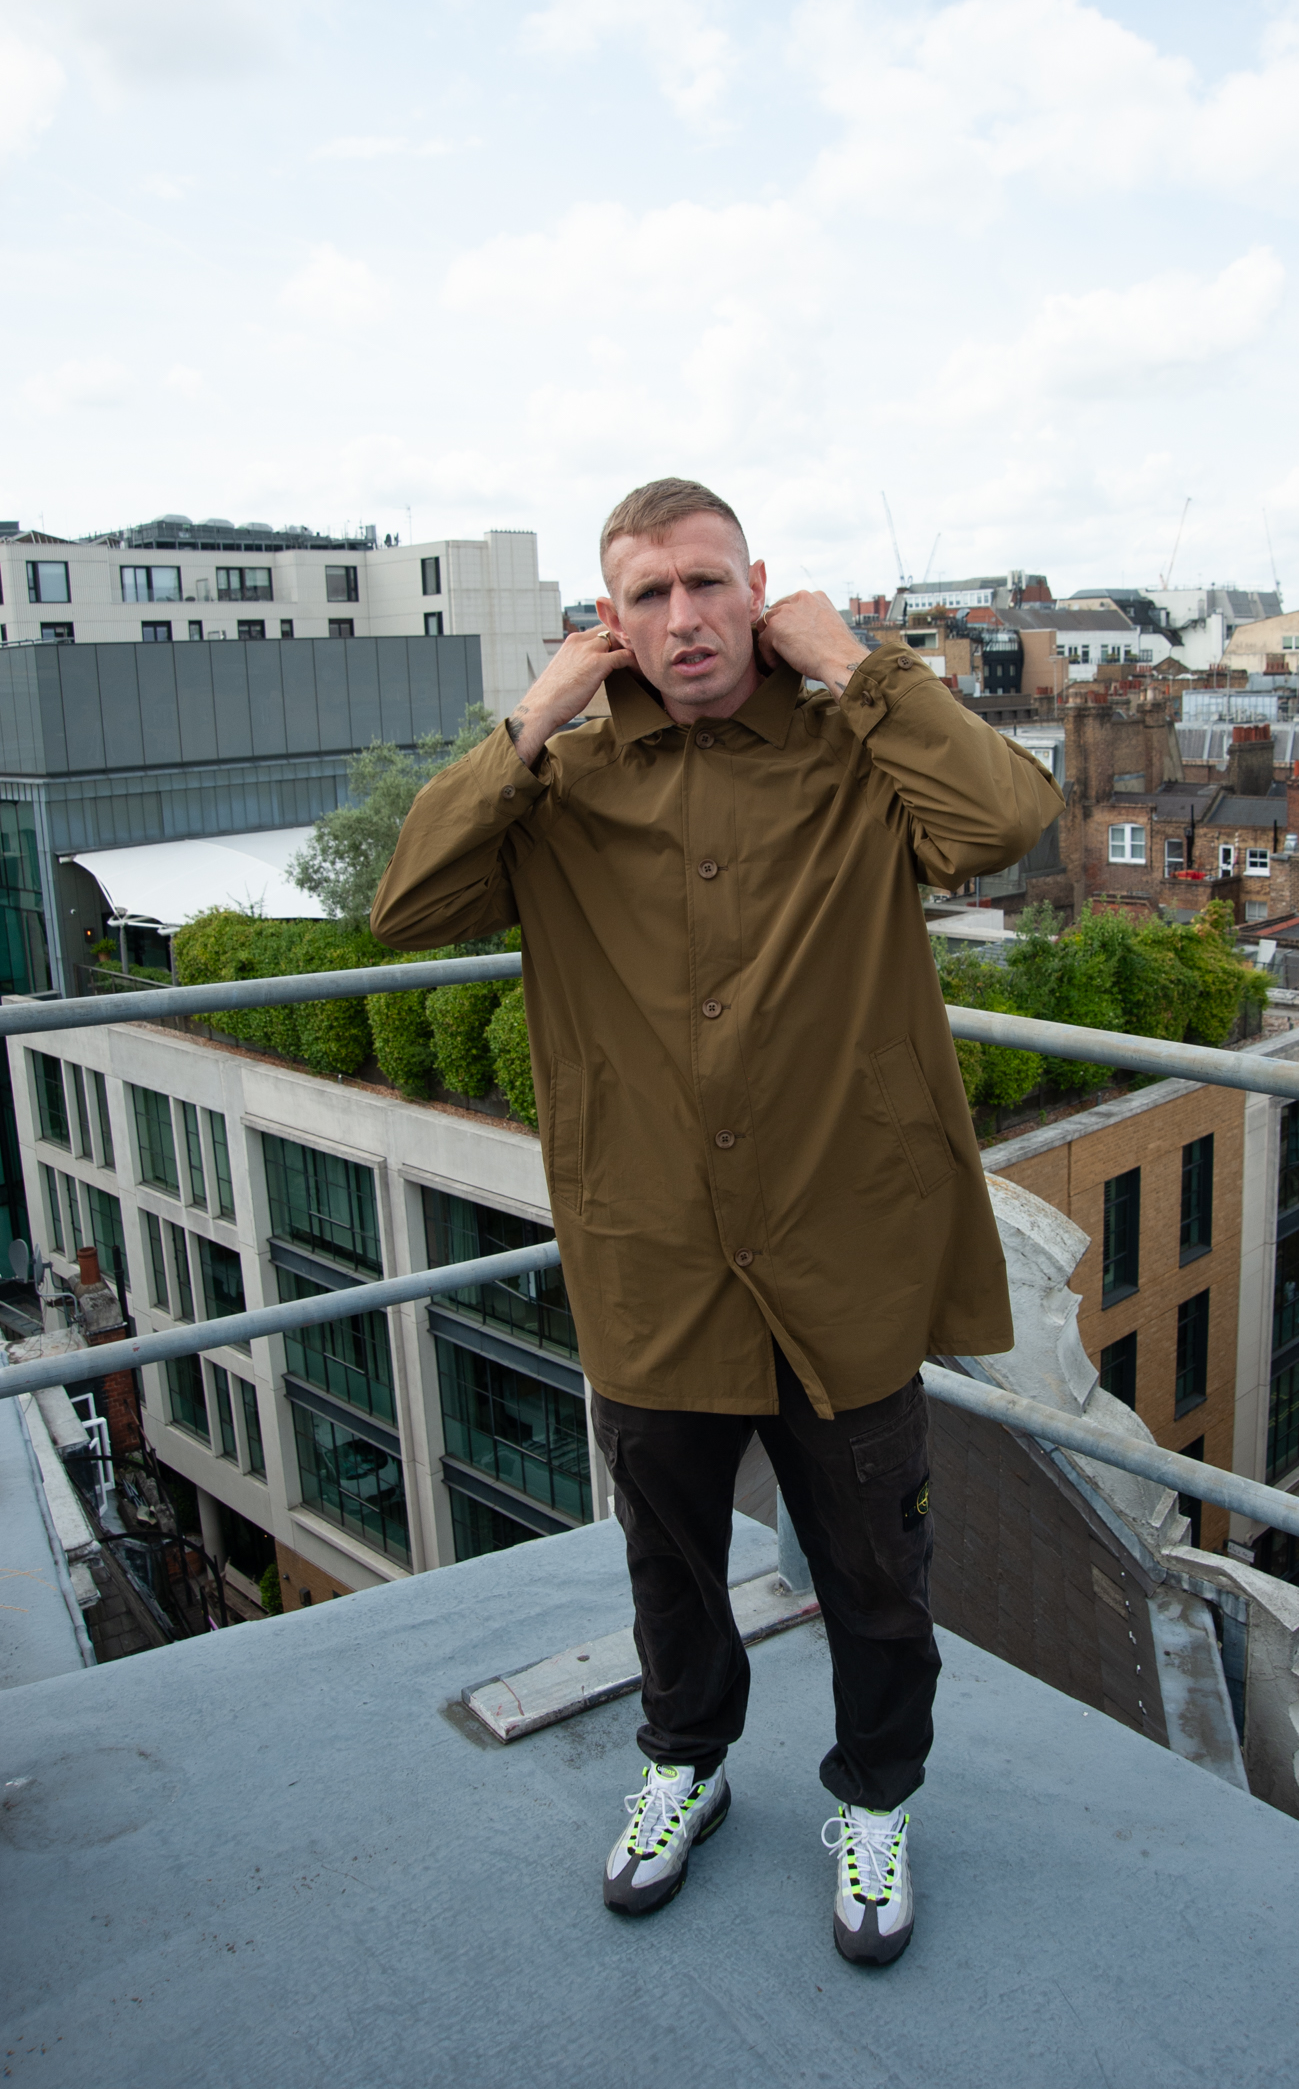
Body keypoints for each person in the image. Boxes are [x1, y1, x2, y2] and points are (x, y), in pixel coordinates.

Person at [372, 478, 1062, 1966]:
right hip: (656, 1263)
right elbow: (404, 905)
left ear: (755, 586)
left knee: (878, 1569)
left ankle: (876, 1801)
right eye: (647, 597)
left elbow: (1009, 820)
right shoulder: (557, 793)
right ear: (610, 621)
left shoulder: (854, 752)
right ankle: (681, 1766)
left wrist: (862, 667)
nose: (683, 619)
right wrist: (540, 707)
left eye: (705, 584)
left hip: (844, 1252)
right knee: (669, 1566)